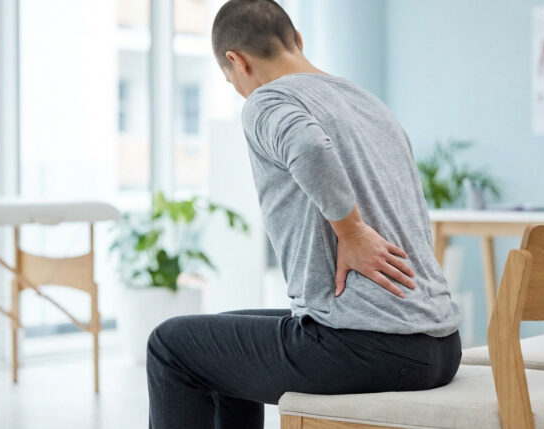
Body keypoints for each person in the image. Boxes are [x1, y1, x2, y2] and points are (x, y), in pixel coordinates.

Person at [146, 1, 462, 428]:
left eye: (231, 80)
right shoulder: (367, 103)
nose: (239, 90)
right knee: (218, 341)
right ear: (297, 40)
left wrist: (351, 232)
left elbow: (309, 148)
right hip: (440, 346)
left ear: (236, 62)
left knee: (169, 345)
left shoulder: (267, 99)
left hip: (367, 346)